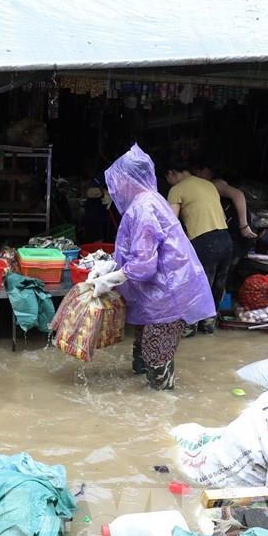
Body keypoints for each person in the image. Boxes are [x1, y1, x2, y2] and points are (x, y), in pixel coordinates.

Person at [87, 144, 214, 390]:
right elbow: (135, 252)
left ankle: (160, 410)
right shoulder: (147, 201)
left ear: (129, 179)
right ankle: (142, 409)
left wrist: (110, 279)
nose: (115, 188)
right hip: (154, 296)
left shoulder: (145, 206)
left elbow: (144, 265)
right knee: (142, 353)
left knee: (157, 359)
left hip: (167, 296)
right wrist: (109, 267)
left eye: (118, 181)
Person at [165, 157, 232, 334]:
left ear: (171, 173)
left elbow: (171, 222)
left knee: (197, 284)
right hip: (226, 238)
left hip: (205, 241)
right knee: (217, 285)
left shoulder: (177, 189)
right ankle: (209, 326)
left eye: (167, 178)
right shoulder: (208, 185)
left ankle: (189, 328)